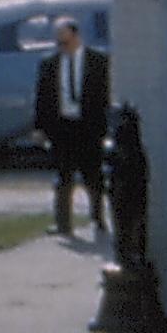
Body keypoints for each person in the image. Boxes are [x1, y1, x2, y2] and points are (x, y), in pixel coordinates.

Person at [29, 15, 111, 237]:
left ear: (76, 36)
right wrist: (39, 128)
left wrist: (105, 128)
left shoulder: (98, 62)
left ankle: (98, 218)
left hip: (89, 127)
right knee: (63, 177)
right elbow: (42, 98)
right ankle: (63, 224)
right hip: (62, 127)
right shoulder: (50, 64)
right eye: (58, 43)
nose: (62, 47)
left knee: (93, 175)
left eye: (65, 42)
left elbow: (106, 96)